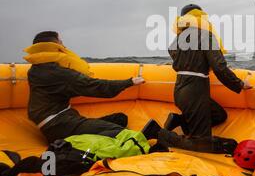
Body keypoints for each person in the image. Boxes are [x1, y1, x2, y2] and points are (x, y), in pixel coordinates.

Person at [24, 31, 161, 143]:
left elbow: (61, 90)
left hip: (56, 122)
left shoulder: (35, 70)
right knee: (120, 133)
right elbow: (98, 87)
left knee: (120, 118)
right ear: (54, 46)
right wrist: (129, 82)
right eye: (61, 42)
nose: (64, 46)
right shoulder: (60, 74)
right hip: (59, 125)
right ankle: (142, 141)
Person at [158, 4, 251, 153]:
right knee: (201, 143)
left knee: (219, 115)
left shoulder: (178, 38)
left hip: (181, 90)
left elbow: (178, 56)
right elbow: (219, 67)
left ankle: (178, 120)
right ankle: (160, 134)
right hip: (195, 90)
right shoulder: (205, 35)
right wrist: (239, 84)